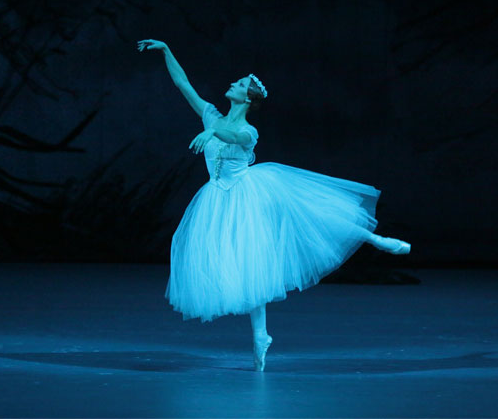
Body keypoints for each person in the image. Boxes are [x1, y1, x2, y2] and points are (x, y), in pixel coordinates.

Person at [137, 39, 411, 372]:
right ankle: (261, 336)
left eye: (239, 84)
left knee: (309, 218)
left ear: (247, 97)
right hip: (217, 198)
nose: (232, 84)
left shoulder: (248, 131)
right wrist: (166, 50)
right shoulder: (210, 114)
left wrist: (213, 135)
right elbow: (182, 83)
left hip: (249, 192)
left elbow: (235, 138)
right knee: (247, 268)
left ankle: (375, 239)